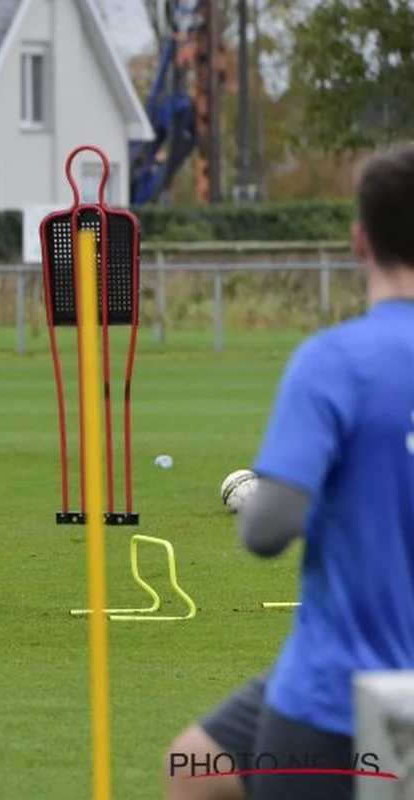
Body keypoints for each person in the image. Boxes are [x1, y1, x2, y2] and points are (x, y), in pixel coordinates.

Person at [164, 142, 414, 800]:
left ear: (360, 241)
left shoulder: (333, 362)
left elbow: (266, 530)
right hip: (337, 687)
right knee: (195, 762)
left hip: (336, 693)